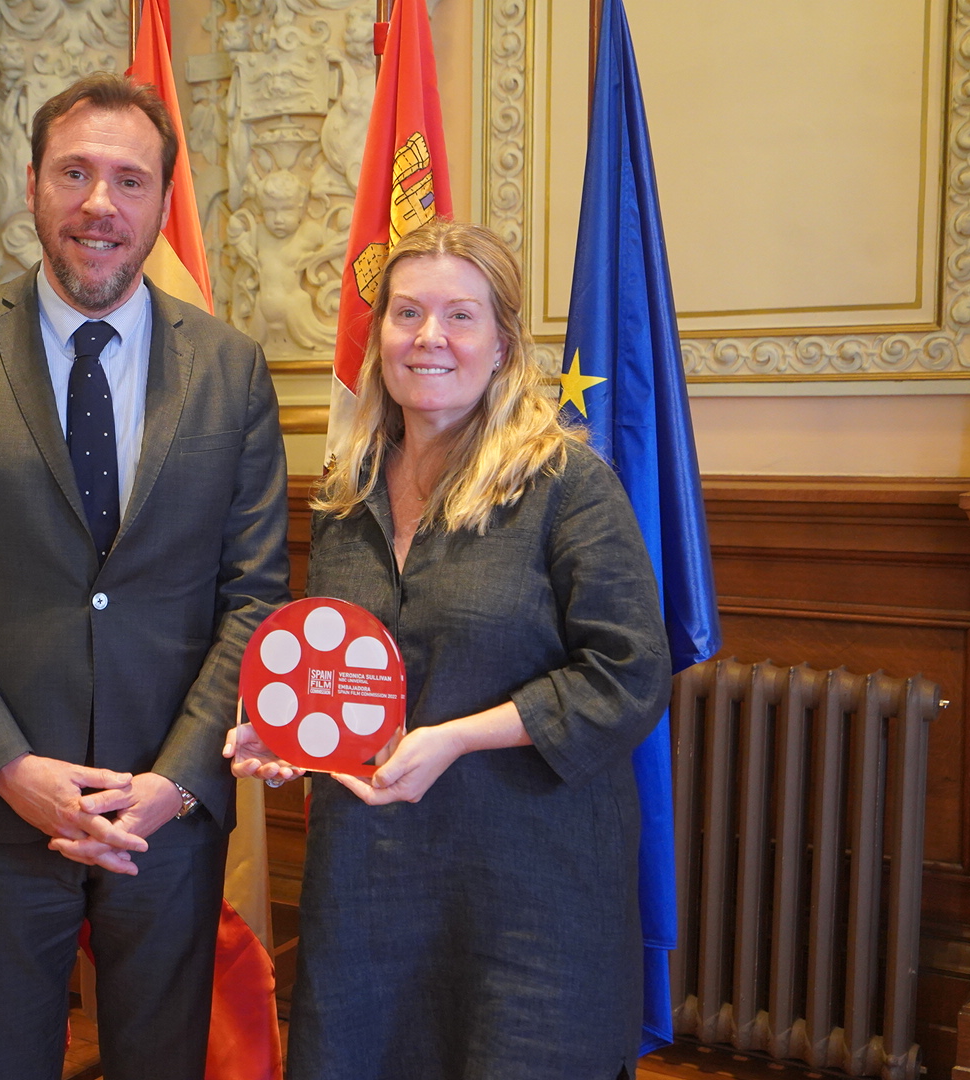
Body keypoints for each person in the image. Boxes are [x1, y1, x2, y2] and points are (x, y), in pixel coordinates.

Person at [0, 72, 289, 1080]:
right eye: (74, 173)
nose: (100, 203)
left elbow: (252, 595)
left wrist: (175, 782)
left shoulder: (231, 368)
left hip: (164, 811)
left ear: (160, 201)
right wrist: (12, 771)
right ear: (31, 186)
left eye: (129, 180)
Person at [226, 219, 670, 1079]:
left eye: (460, 315)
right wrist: (289, 735)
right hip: (371, 884)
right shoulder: (345, 493)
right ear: (380, 337)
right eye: (407, 313)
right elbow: (346, 675)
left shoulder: (567, 484)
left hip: (530, 888)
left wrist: (459, 737)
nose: (429, 336)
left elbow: (630, 673)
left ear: (502, 343)